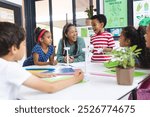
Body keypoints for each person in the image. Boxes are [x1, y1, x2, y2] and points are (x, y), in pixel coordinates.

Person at [0, 22, 84, 100]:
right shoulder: (10, 68)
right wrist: (75, 79)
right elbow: (51, 87)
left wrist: (38, 74)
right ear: (14, 48)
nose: (25, 46)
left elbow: (21, 71)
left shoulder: (5, 65)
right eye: (24, 44)